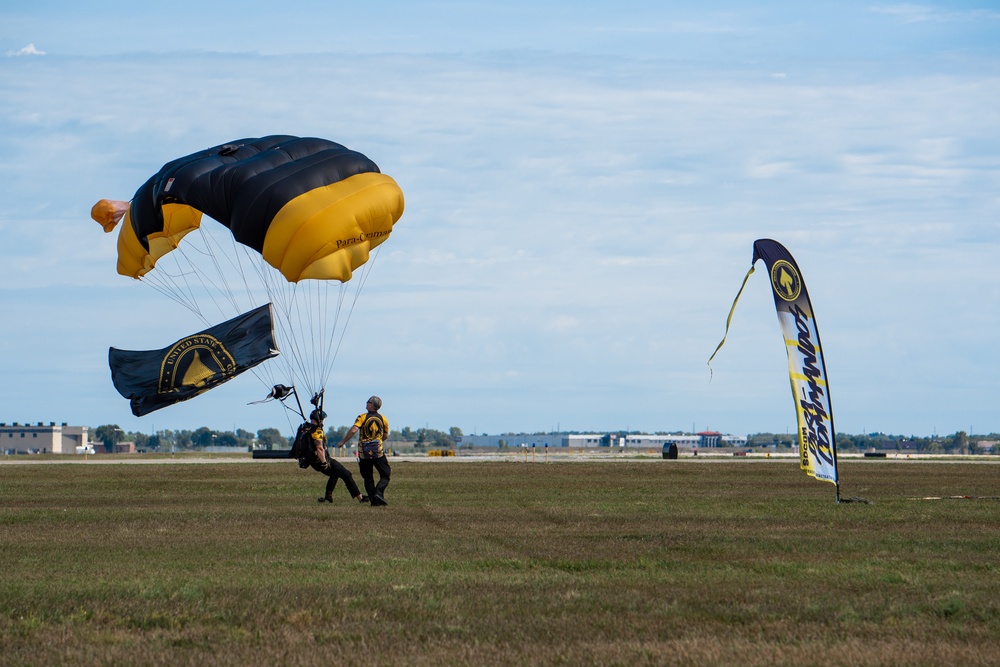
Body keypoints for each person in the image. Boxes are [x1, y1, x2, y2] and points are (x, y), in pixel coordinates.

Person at [297, 409, 367, 504]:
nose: (323, 422)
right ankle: (361, 498)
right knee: (346, 474)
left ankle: (328, 497)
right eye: (322, 420)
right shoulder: (317, 432)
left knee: (335, 474)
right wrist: (324, 463)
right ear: (319, 420)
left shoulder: (307, 429)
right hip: (322, 461)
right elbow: (319, 448)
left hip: (314, 462)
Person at [337, 395, 391, 506]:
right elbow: (385, 435)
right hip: (378, 451)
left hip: (364, 453)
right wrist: (378, 441)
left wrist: (343, 442)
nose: (366, 403)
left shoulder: (362, 417)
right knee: (385, 474)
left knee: (368, 477)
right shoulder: (383, 418)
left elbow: (353, 430)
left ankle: (374, 499)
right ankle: (378, 494)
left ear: (372, 405)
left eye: (368, 402)